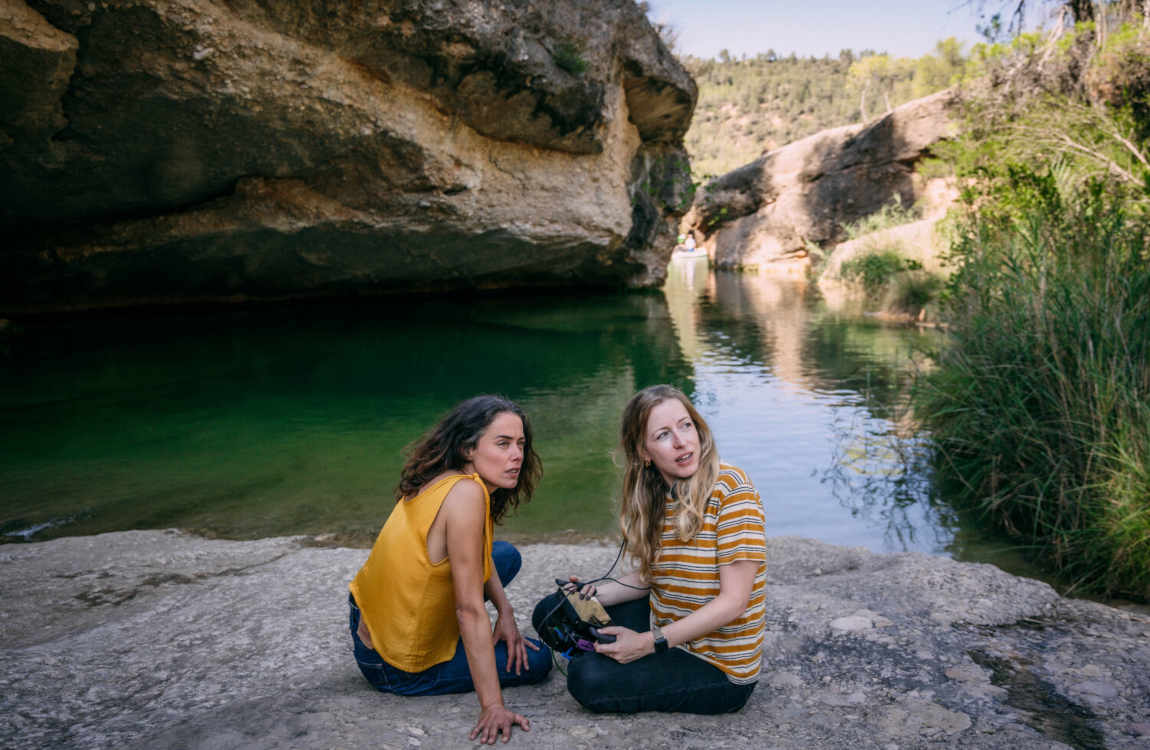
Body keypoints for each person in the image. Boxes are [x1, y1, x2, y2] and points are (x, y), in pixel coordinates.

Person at [533, 384, 766, 714]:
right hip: (665, 622)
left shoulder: (732, 490)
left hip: (716, 665)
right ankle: (606, 649)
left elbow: (734, 602)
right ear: (644, 452)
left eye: (686, 426)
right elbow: (651, 577)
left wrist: (646, 644)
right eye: (663, 435)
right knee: (554, 610)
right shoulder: (657, 494)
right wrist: (594, 593)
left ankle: (605, 655)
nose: (682, 441)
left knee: (586, 679)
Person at [349, 395, 551, 744]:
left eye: (520, 444)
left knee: (504, 555)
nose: (516, 455)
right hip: (392, 665)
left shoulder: (448, 477)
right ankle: (431, 662)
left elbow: (481, 555)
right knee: (539, 659)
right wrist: (492, 706)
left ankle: (452, 635)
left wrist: (505, 610)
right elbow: (469, 609)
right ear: (468, 448)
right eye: (502, 444)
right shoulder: (467, 496)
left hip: (367, 620)